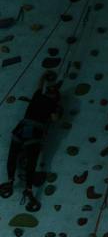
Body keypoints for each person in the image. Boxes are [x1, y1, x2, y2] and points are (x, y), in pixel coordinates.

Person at [1, 72, 63, 208]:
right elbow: (54, 119)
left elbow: (39, 85)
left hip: (21, 128)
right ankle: (29, 189)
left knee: (12, 156)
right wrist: (58, 111)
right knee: (31, 162)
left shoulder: (38, 96)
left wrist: (43, 75)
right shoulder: (53, 104)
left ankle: (10, 180)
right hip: (34, 132)